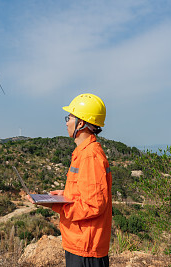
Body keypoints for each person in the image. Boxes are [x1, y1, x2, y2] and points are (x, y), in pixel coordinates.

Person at [27, 93, 112, 267]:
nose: (66, 122)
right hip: (79, 242)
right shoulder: (83, 152)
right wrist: (64, 194)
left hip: (86, 248)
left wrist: (54, 204)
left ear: (80, 123)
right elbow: (86, 192)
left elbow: (94, 205)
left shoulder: (90, 156)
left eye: (70, 117)